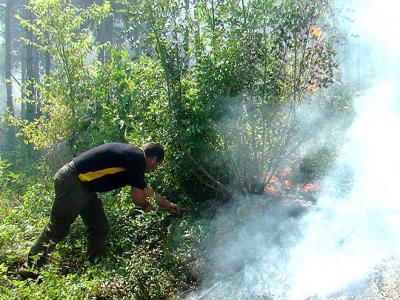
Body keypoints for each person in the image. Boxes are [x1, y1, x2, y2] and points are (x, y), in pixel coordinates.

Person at [27, 142, 180, 268]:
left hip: (85, 187)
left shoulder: (132, 157)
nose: (155, 169)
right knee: (58, 228)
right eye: (157, 165)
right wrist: (147, 206)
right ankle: (32, 267)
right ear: (153, 159)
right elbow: (137, 197)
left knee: (99, 228)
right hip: (73, 181)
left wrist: (169, 205)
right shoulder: (137, 158)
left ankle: (92, 267)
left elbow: (147, 191)